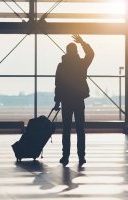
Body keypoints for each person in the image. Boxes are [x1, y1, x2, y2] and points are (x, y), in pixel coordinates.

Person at [53, 34, 94, 167]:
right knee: (80, 129)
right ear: (76, 51)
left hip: (66, 100)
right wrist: (82, 42)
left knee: (66, 129)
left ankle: (65, 156)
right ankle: (81, 156)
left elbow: (58, 84)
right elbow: (91, 54)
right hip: (78, 99)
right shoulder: (81, 64)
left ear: (66, 52)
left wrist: (57, 101)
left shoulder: (61, 66)